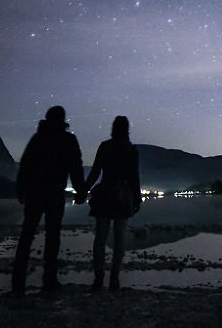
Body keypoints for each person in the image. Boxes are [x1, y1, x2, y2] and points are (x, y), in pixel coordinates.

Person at [11, 105, 86, 294]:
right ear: (62, 120)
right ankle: (49, 280)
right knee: (52, 237)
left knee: (27, 235)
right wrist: (80, 190)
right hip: (54, 194)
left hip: (35, 193)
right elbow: (75, 166)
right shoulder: (68, 139)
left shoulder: (38, 138)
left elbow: (25, 165)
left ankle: (18, 282)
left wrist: (21, 189)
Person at [86, 115, 141, 291]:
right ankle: (114, 278)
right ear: (127, 129)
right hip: (122, 196)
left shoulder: (105, 146)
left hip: (104, 194)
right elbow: (134, 176)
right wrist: (137, 198)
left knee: (100, 237)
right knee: (120, 238)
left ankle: (98, 276)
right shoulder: (131, 149)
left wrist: (84, 189)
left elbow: (95, 172)